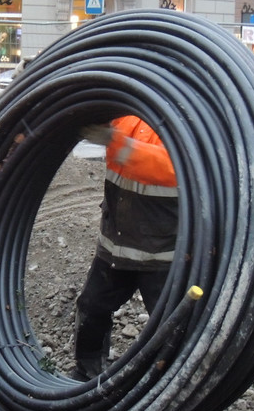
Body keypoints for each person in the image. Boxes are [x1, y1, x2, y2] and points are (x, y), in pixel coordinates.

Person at [71, 116, 178, 381]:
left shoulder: (184, 123)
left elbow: (171, 167)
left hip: (160, 253)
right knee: (91, 306)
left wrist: (118, 143)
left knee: (169, 323)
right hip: (115, 244)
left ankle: (169, 383)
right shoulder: (129, 114)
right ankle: (87, 375)